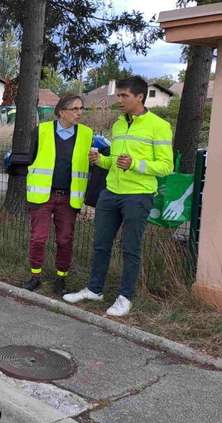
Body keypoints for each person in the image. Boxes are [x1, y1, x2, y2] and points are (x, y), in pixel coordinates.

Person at [64, 76, 173, 316]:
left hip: (138, 195)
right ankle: (94, 290)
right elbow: (115, 161)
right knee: (101, 244)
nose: (119, 99)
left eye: (124, 96)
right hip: (111, 193)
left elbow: (166, 166)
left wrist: (136, 164)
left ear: (140, 97)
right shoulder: (118, 125)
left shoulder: (159, 126)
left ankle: (125, 297)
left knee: (130, 248)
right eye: (118, 95)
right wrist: (100, 160)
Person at [19, 95, 93, 295]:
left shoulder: (87, 134)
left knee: (65, 240)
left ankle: (61, 278)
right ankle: (35, 276)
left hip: (69, 198)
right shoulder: (42, 131)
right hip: (43, 196)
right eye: (74, 108)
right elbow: (30, 159)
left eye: (81, 108)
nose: (79, 112)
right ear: (61, 111)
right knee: (38, 238)